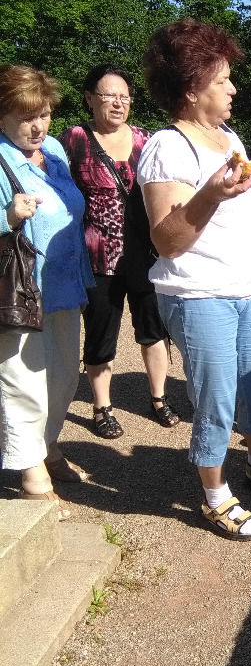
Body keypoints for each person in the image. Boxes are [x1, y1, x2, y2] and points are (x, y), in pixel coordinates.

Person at [138, 19, 251, 541]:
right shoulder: (168, 147)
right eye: (222, 80)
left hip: (243, 291)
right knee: (217, 398)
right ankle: (215, 496)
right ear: (191, 88)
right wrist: (210, 194)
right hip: (199, 294)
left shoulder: (228, 138)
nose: (233, 89)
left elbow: (242, 209)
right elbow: (168, 239)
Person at [60, 64, 178, 440]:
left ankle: (159, 398)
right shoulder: (74, 139)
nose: (118, 103)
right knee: (100, 334)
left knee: (154, 330)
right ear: (89, 98)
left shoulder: (146, 140)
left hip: (146, 254)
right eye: (110, 95)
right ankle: (102, 407)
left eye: (124, 96)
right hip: (96, 257)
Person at [0, 64, 95, 519]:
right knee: (24, 384)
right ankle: (31, 475)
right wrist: (7, 216)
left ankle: (48, 445)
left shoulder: (53, 150)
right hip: (20, 290)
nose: (38, 126)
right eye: (26, 117)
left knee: (63, 379)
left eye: (44, 113)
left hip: (63, 283)